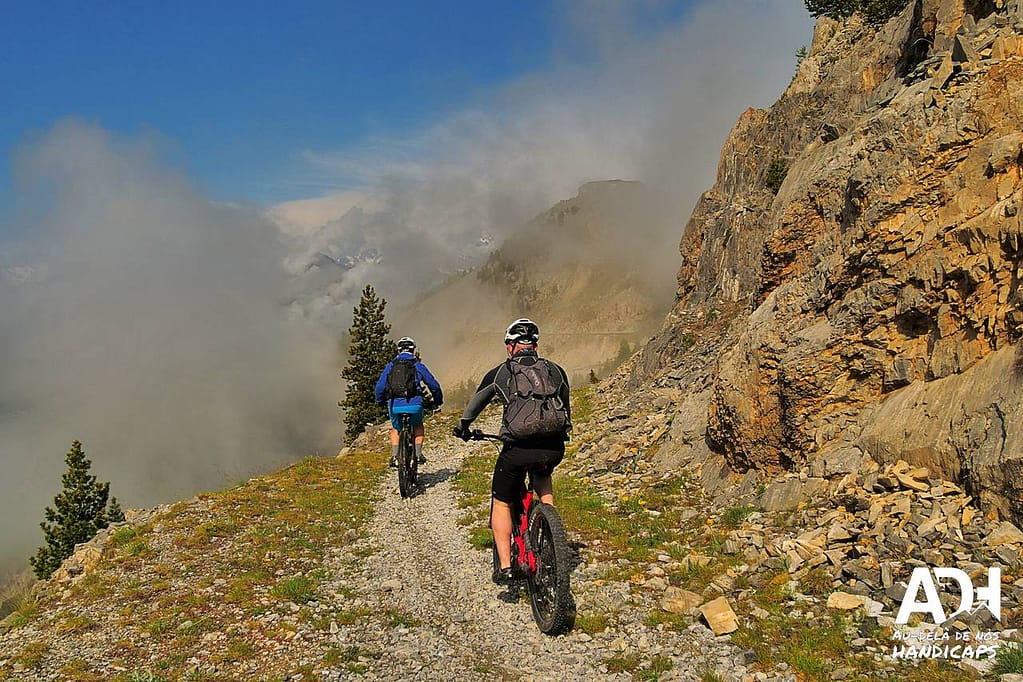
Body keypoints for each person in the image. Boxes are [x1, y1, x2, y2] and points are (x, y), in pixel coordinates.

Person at [453, 318, 571, 584]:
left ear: (510, 346)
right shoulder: (556, 371)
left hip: (517, 449)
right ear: (535, 346)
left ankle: (505, 566)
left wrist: (464, 427)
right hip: (552, 448)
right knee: (542, 474)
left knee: (502, 500)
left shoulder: (501, 373)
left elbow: (475, 404)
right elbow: (565, 406)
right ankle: (550, 531)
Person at [375, 337, 443, 467]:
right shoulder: (417, 365)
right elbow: (433, 385)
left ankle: (395, 456)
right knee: (418, 425)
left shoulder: (391, 366)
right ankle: (417, 454)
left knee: (395, 429)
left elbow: (379, 387)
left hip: (394, 405)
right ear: (413, 349)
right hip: (415, 405)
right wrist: (438, 401)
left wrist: (380, 401)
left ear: (398, 350)